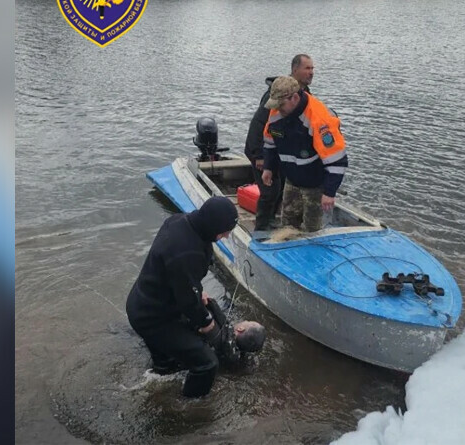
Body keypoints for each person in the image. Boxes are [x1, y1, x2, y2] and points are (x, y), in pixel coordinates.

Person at [125, 196, 238, 398]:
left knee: (169, 366)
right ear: (212, 226)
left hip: (142, 303)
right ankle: (189, 409)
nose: (226, 236)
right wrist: (206, 322)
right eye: (224, 232)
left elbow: (179, 277)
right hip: (153, 319)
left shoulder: (178, 220)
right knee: (207, 363)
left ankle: (160, 387)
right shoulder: (186, 252)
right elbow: (188, 301)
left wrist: (196, 289)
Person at [261, 76, 348, 232]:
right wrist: (268, 167)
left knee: (312, 229)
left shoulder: (319, 118)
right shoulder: (277, 111)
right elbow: (270, 142)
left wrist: (329, 192)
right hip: (292, 180)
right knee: (287, 224)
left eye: (282, 105)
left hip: (315, 184)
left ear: (294, 97)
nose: (278, 110)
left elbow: (337, 160)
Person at [244, 54, 315, 230]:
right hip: (263, 151)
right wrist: (259, 156)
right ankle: (261, 229)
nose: (311, 72)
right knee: (270, 191)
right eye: (307, 68)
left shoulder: (304, 94)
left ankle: (273, 220)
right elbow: (258, 125)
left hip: (282, 151)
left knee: (283, 187)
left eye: (312, 68)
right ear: (295, 70)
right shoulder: (277, 95)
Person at [202, 298, 266, 366]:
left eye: (248, 322)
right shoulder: (236, 356)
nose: (246, 320)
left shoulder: (214, 330)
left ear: (240, 329)